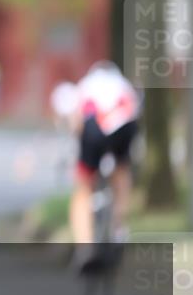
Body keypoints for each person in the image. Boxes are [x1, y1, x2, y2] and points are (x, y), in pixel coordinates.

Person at [53, 61, 140, 270]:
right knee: (121, 172)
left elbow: (76, 122)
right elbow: (135, 114)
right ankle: (119, 228)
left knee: (83, 186)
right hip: (124, 126)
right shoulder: (124, 84)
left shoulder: (85, 84)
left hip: (94, 127)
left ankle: (85, 247)